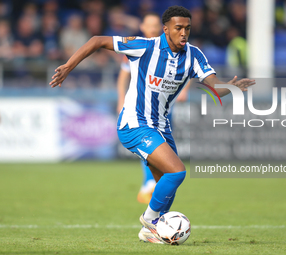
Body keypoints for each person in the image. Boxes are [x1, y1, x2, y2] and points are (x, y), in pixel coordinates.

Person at [50, 6, 255, 244]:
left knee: (167, 184)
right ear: (165, 29)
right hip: (134, 125)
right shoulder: (145, 47)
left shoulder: (194, 55)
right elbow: (97, 40)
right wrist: (68, 66)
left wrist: (231, 87)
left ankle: (151, 232)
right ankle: (150, 220)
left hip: (161, 126)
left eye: (187, 28)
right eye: (178, 28)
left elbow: (215, 86)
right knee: (177, 172)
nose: (184, 33)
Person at [116, 12, 189, 205]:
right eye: (149, 25)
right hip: (140, 112)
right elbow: (123, 77)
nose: (153, 29)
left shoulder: (176, 48)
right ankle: (149, 185)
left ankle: (152, 195)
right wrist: (121, 99)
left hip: (164, 110)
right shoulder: (136, 48)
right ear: (143, 27)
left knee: (162, 151)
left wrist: (185, 90)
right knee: (151, 145)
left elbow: (189, 70)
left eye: (156, 25)